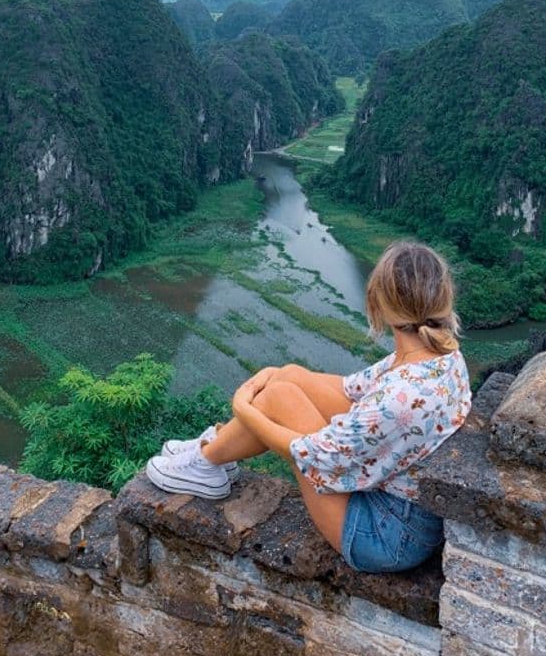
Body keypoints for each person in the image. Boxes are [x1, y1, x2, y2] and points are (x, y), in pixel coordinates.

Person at [146, 241, 472, 572]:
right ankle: (217, 451)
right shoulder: (442, 355)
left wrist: (245, 408)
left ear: (382, 305)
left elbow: (313, 456)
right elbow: (352, 389)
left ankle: (206, 464)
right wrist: (282, 374)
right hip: (397, 501)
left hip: (386, 535)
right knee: (287, 379)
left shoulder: (398, 399)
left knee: (276, 399)